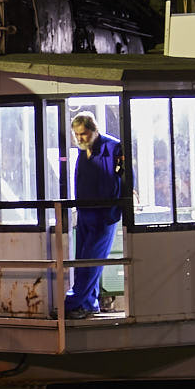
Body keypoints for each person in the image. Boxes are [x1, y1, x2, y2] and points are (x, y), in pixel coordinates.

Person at [67, 112, 123, 317]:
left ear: (94, 129)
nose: (80, 138)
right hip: (85, 212)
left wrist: (116, 209)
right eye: (76, 134)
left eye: (83, 133)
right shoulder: (84, 151)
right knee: (83, 259)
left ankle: (72, 302)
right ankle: (89, 304)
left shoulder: (113, 147)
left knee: (90, 261)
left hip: (104, 215)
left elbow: (124, 178)